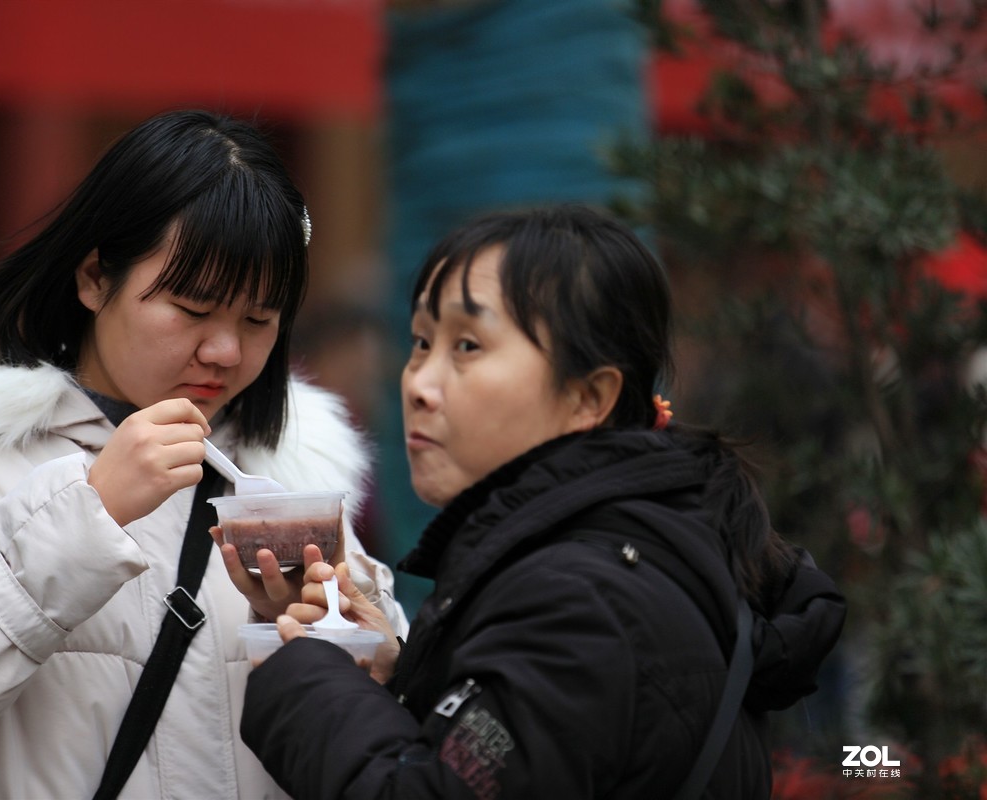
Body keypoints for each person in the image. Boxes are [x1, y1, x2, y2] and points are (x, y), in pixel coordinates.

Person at [0, 109, 406, 800]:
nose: (226, 351)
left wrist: (366, 659)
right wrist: (85, 513)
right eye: (191, 308)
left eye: (259, 319)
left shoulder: (286, 478)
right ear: (95, 277)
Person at [238, 204, 847, 798]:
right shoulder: (618, 558)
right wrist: (405, 674)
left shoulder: (578, 600)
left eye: (468, 346)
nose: (420, 384)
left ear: (589, 398)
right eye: (421, 342)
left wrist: (307, 675)